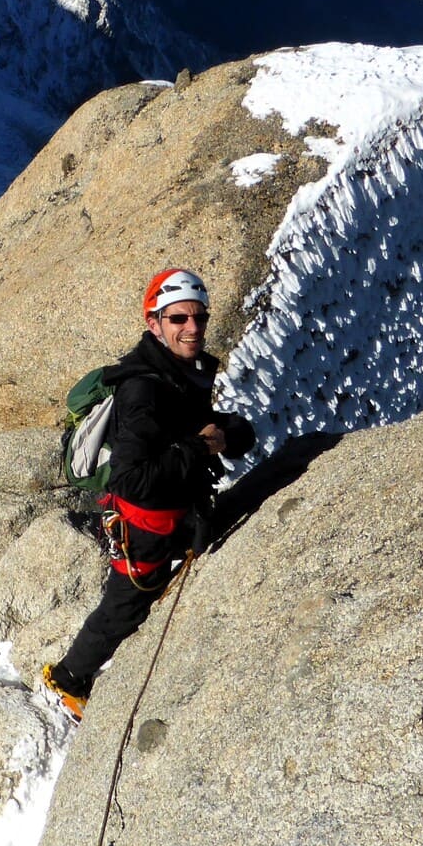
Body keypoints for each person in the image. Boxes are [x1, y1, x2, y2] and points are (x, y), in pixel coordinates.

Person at [42, 268, 256, 720]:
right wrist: (200, 446)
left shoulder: (178, 371)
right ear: (154, 323)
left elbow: (196, 427)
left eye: (199, 317)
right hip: (145, 527)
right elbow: (131, 478)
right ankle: (67, 678)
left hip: (172, 511)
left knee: (138, 598)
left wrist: (228, 434)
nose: (193, 328)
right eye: (179, 319)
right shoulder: (144, 388)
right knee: (126, 605)